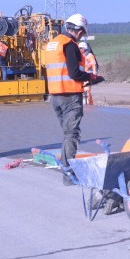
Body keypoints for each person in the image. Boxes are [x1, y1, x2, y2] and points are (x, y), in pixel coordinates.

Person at [45, 13, 102, 185]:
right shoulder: (69, 45)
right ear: (78, 31)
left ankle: (67, 169)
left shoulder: (52, 44)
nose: (82, 37)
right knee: (72, 135)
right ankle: (69, 175)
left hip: (55, 96)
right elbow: (74, 73)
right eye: (83, 33)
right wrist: (92, 78)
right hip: (69, 96)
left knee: (67, 135)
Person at [77, 39, 98, 105]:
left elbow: (93, 64)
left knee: (87, 90)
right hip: (81, 75)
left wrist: (94, 71)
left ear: (84, 48)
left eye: (80, 48)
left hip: (87, 75)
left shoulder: (89, 55)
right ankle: (84, 102)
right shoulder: (80, 56)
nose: (79, 49)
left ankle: (89, 103)